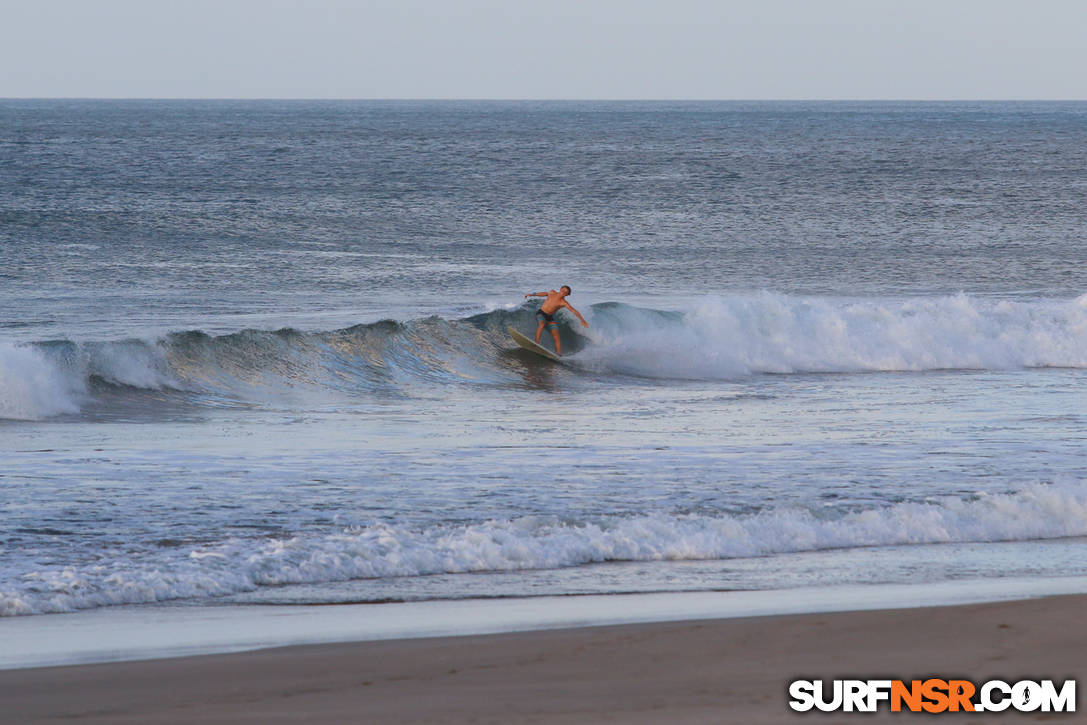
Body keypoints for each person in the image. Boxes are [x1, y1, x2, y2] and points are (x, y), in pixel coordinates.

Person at [523, 285, 589, 356]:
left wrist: (582, 320)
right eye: (563, 290)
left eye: (565, 292)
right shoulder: (552, 292)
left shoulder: (563, 303)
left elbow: (573, 310)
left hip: (550, 317)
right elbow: (545, 293)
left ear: (567, 295)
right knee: (542, 324)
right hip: (541, 313)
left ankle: (559, 354)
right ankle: (536, 343)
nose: (563, 292)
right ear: (560, 289)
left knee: (556, 335)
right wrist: (532, 294)